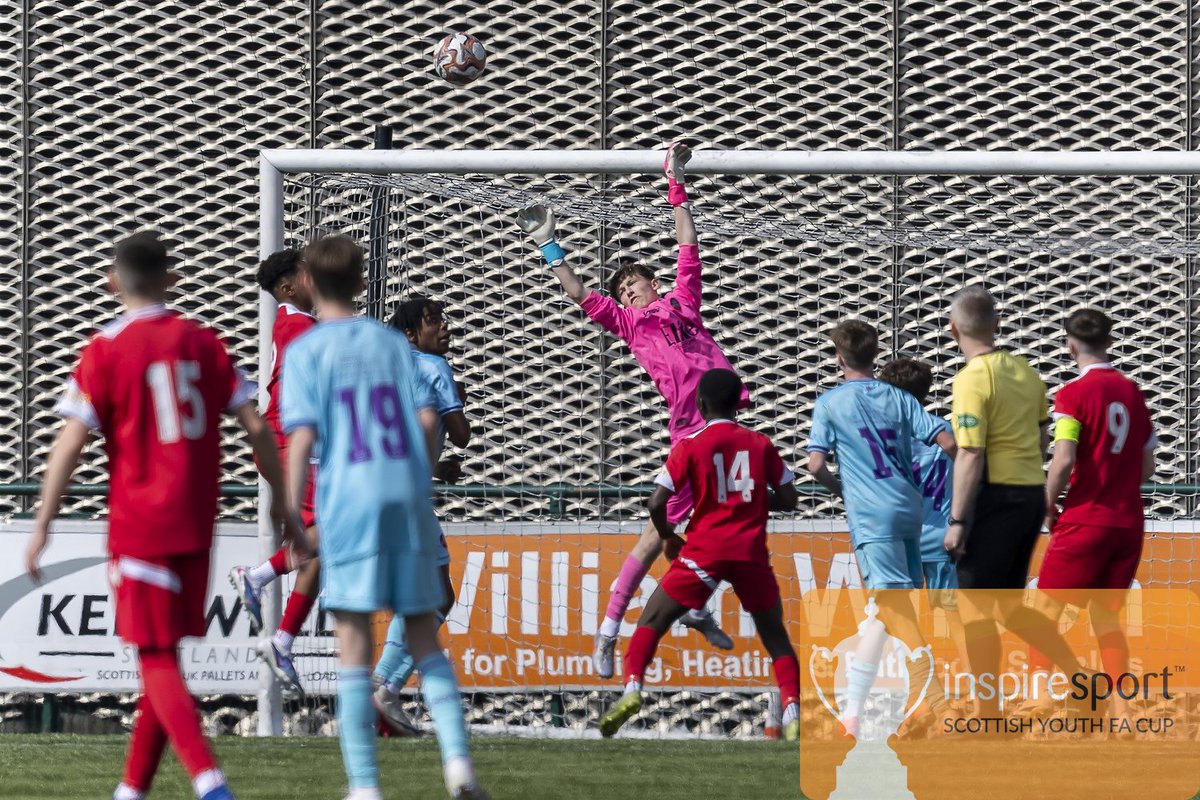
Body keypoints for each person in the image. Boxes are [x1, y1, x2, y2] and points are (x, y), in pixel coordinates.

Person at [24, 232, 303, 800]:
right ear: (172, 279)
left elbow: (70, 443)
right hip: (196, 524)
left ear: (112, 283)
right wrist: (283, 501)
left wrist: (44, 523)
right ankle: (131, 790)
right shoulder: (204, 342)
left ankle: (211, 784)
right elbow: (255, 426)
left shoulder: (105, 349)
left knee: (154, 660)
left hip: (141, 525)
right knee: (165, 660)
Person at [517, 142, 740, 679]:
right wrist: (550, 246)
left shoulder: (683, 301)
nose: (626, 291)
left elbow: (687, 242)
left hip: (727, 425)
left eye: (631, 283)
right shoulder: (628, 323)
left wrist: (676, 186)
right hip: (691, 434)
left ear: (652, 283)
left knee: (722, 533)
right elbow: (579, 293)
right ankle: (609, 632)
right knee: (654, 535)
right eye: (620, 289)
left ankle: (693, 606)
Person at [281, 234, 488, 800]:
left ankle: (366, 787)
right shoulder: (393, 346)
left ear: (308, 283)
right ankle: (458, 764)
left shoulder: (307, 352)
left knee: (353, 646)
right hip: (403, 495)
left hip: (348, 501)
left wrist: (292, 513)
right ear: (360, 281)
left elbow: (301, 440)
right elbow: (428, 421)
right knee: (425, 634)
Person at [597, 369, 801, 741]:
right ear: (738, 405)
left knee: (652, 620)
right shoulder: (760, 444)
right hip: (750, 554)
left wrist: (666, 536)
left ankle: (632, 689)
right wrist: (752, 500)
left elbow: (655, 502)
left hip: (705, 551)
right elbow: (790, 498)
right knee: (775, 637)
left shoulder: (690, 445)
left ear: (700, 404)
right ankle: (792, 712)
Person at [945, 287, 1098, 718]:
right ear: (997, 324)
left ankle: (988, 714)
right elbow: (1043, 436)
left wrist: (957, 520)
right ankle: (1080, 677)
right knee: (1007, 606)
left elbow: (970, 452)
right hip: (1030, 494)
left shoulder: (971, 379)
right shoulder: (1027, 372)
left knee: (975, 610)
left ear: (953, 329)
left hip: (996, 495)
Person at [805, 320, 957, 735]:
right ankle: (860, 712)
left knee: (894, 610)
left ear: (839, 358)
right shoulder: (899, 398)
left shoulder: (830, 402)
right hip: (912, 511)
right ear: (875, 356)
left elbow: (815, 465)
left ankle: (938, 702)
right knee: (888, 613)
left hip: (874, 516)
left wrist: (841, 489)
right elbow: (948, 443)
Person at [1019, 308, 1155, 721]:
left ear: (1069, 345)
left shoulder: (1073, 395)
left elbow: (1063, 458)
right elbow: (1147, 466)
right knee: (1106, 618)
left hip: (1086, 518)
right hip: (1127, 522)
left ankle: (1040, 695)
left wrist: (1047, 501)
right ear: (1110, 342)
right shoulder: (1133, 394)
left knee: (1043, 612)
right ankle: (1122, 709)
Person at [373, 295, 471, 735]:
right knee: (435, 595)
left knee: (432, 593)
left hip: (379, 487)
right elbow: (462, 435)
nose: (445, 327)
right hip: (405, 496)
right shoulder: (434, 367)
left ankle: (385, 691)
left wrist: (436, 467)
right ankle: (383, 687)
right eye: (435, 322)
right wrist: (457, 402)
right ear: (412, 334)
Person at [228, 247, 318, 698]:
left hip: (287, 440)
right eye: (308, 273)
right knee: (334, 531)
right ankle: (257, 576)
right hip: (287, 440)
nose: (316, 278)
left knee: (321, 552)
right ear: (288, 287)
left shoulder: (295, 323)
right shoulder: (301, 326)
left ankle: (282, 641)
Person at [878, 358, 970, 674]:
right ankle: (976, 683)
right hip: (942, 536)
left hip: (901, 537)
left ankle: (911, 680)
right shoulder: (944, 430)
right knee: (955, 617)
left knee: (894, 613)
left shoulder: (882, 437)